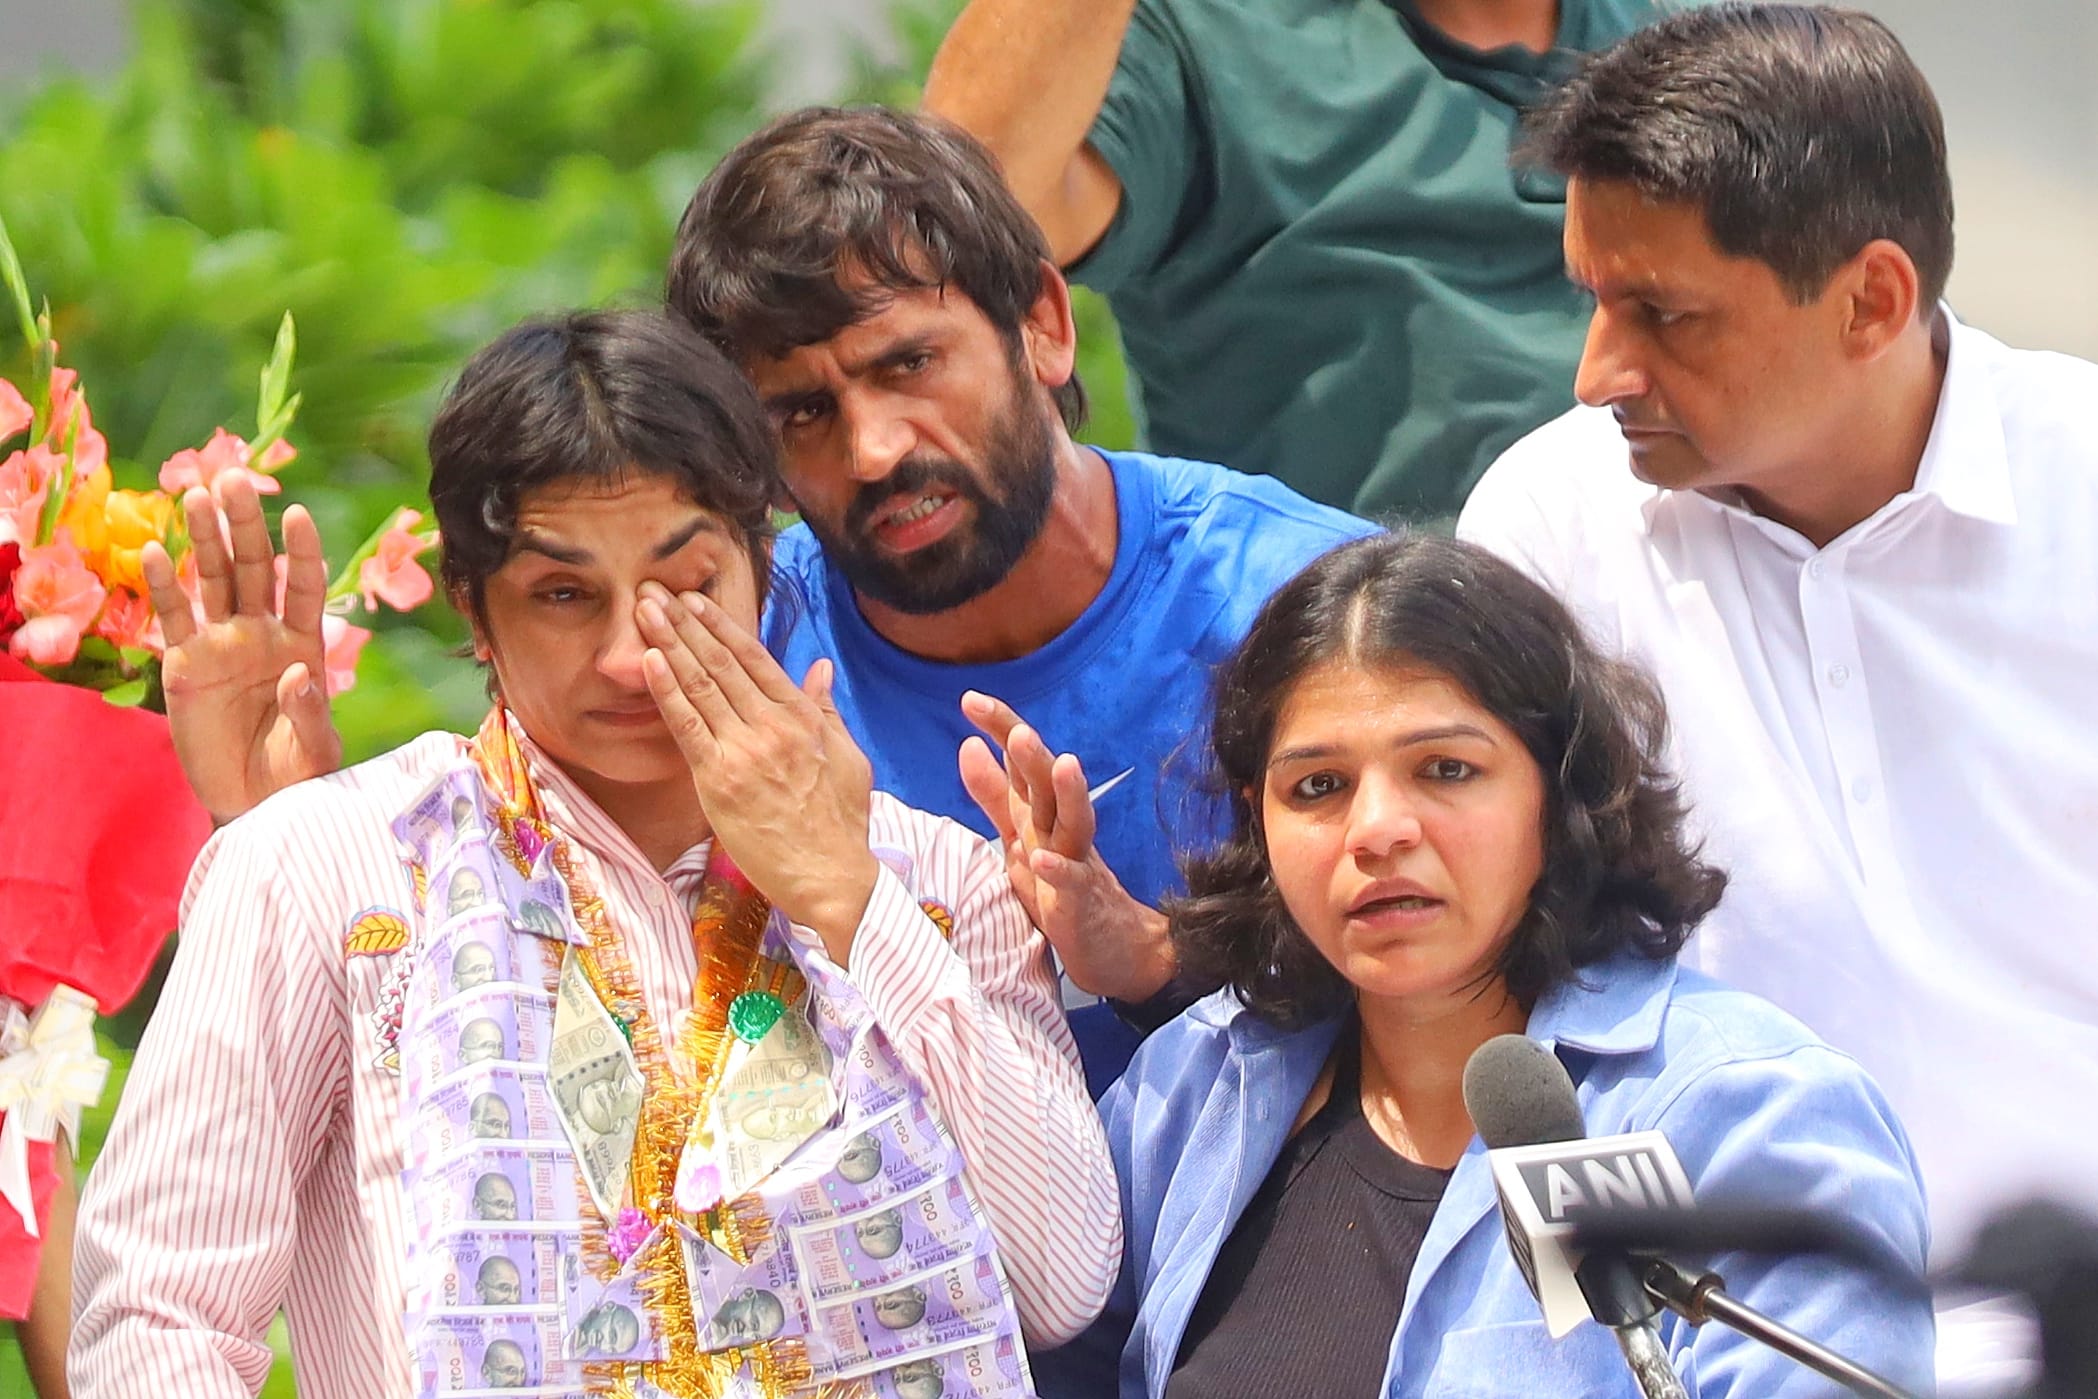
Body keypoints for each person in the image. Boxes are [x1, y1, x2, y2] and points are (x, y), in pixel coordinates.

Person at [68, 311, 1118, 1398]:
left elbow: (1062, 1282)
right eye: (565, 596)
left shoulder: (931, 880)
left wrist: (848, 900)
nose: (629, 654)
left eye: (686, 584)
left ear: (762, 570)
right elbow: (160, 1310)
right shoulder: (330, 868)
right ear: (475, 611)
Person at [1454, 6, 2098, 1388]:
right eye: (1589, 299)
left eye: (1662, 314)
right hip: (1721, 1345)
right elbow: (1500, 998)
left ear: (1869, 299)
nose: (1596, 373)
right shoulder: (1546, 526)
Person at [1038, 533, 1934, 1398]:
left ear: (1561, 789)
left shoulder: (1741, 1114)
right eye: (1318, 786)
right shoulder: (1194, 1086)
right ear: (1257, 819)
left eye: (1445, 769)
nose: (1378, 829)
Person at [668, 106, 1372, 1089]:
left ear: (1042, 325)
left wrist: (1163, 957)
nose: (872, 449)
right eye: (803, 411)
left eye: (907, 365)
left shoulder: (1319, 613)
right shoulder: (737, 656)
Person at [921, 0, 1683, 520]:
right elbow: (947, 227)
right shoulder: (1201, 32)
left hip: (1713, 607)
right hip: (1371, 662)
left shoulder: (1705, 28)